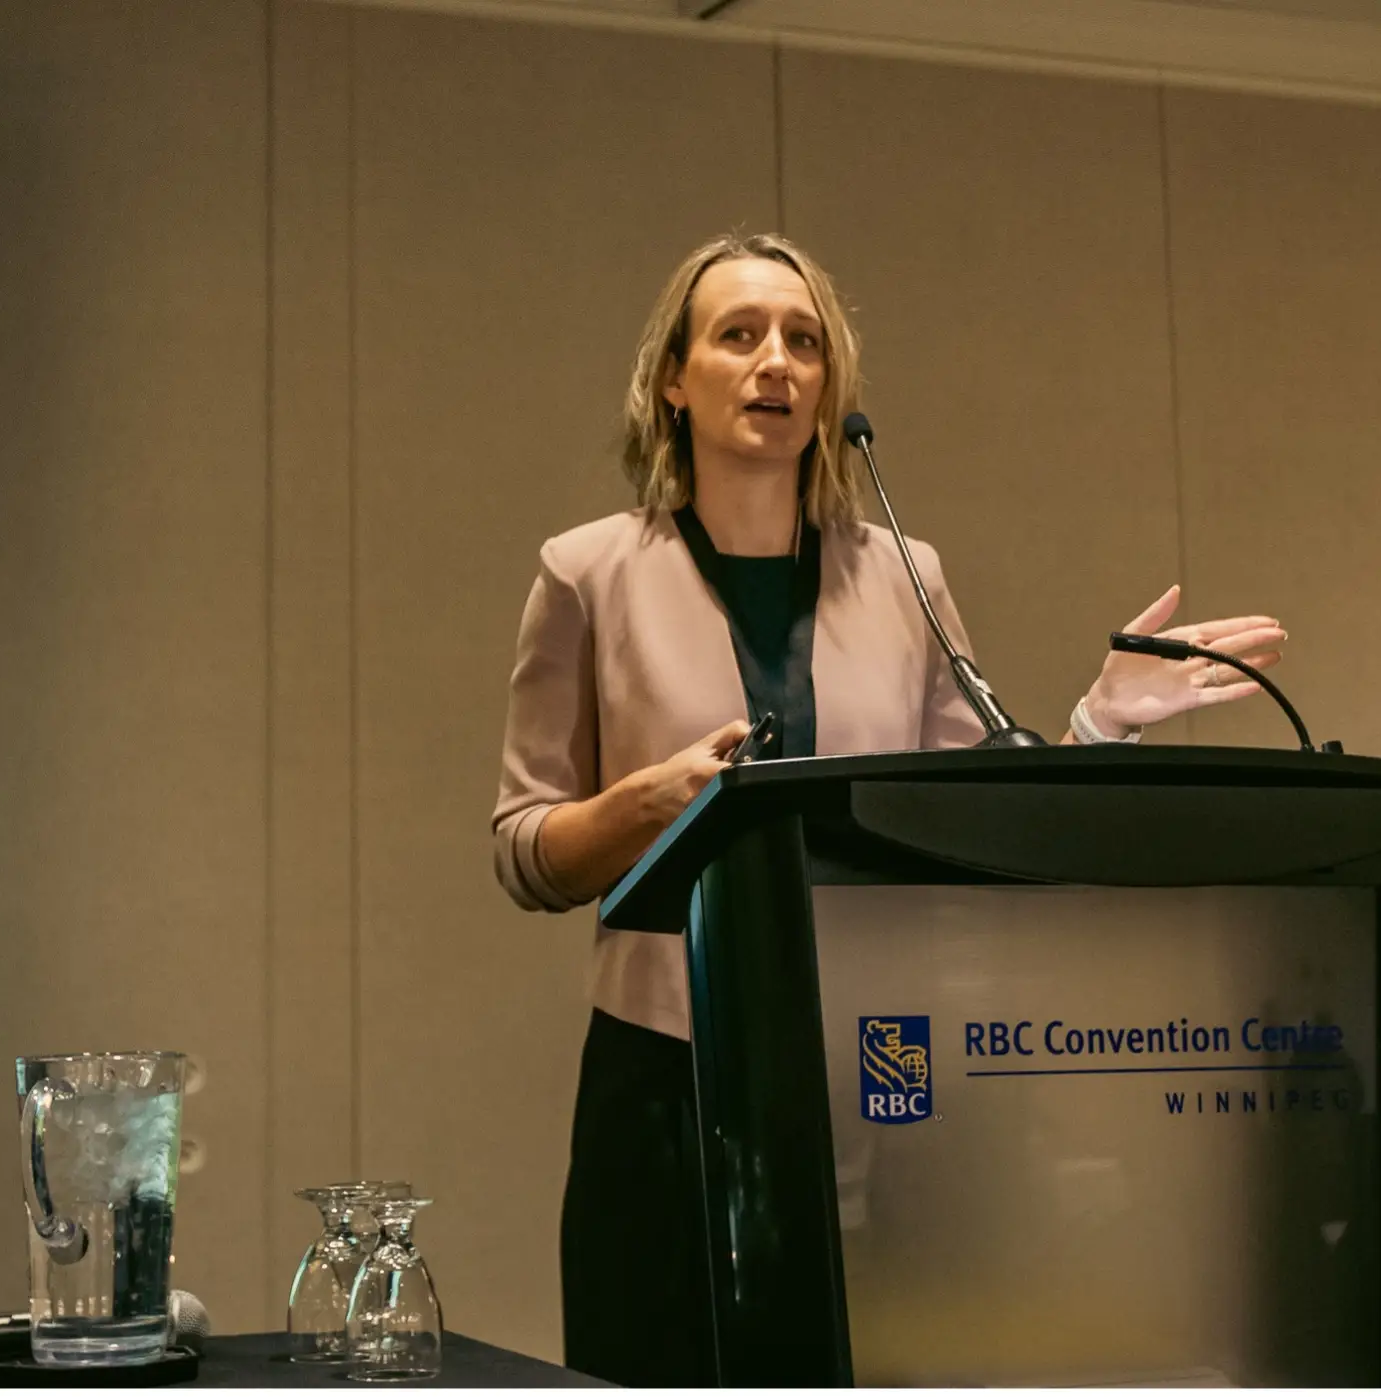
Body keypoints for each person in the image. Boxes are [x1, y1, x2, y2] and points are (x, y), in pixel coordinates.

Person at [490, 232, 1287, 1384]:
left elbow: (965, 832)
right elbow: (525, 850)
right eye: (740, 334)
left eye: (803, 341)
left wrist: (1099, 718)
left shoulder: (907, 574)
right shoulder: (586, 573)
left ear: (831, 386)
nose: (777, 363)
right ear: (673, 376)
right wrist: (649, 800)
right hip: (665, 1086)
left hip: (886, 1087)